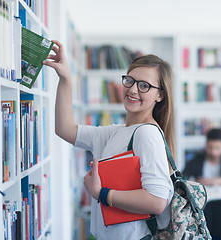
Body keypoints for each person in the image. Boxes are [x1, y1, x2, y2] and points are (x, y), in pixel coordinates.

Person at [43, 41, 174, 240]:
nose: (132, 90)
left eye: (144, 86)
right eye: (130, 80)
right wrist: (66, 79)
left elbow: (157, 201)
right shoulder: (118, 132)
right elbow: (65, 129)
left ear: (160, 95)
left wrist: (101, 193)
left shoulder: (147, 134)